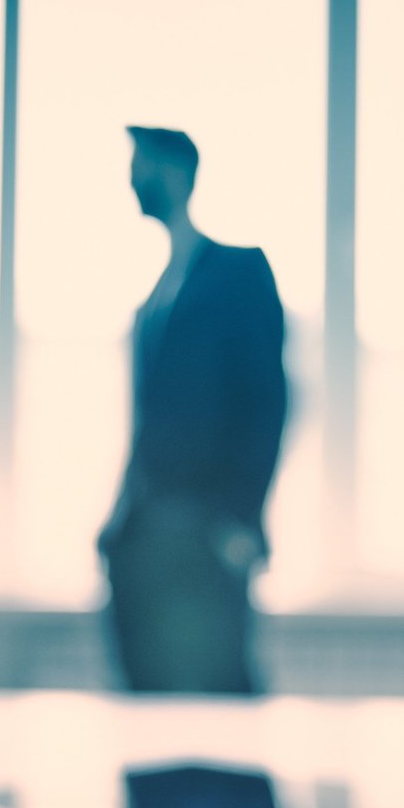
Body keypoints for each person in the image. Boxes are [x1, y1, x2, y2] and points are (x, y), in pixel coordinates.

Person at [100, 127, 289, 694]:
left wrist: (240, 517)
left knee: (212, 700)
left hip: (205, 531)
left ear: (175, 171)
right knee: (149, 697)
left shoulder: (237, 272)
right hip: (146, 532)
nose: (132, 179)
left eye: (141, 164)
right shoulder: (156, 295)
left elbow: (266, 402)